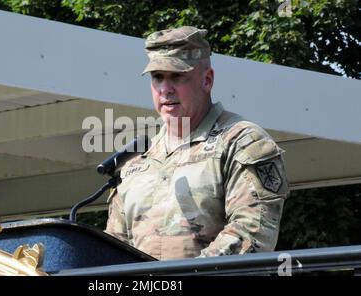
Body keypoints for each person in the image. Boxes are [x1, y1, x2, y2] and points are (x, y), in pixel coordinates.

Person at [105, 26, 289, 260]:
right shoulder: (135, 161)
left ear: (207, 80)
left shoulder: (242, 142)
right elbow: (113, 249)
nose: (165, 89)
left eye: (177, 76)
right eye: (157, 77)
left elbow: (251, 234)